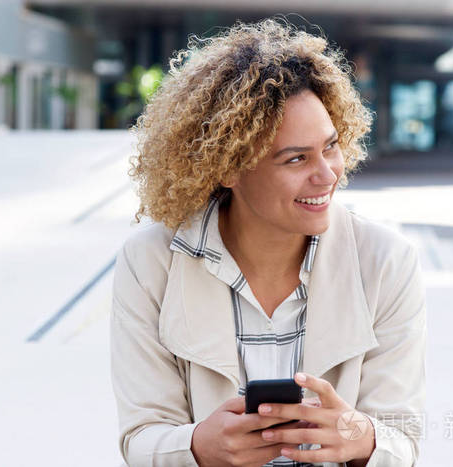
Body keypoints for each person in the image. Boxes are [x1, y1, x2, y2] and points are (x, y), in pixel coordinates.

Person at [110, 18, 427, 467]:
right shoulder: (151, 262)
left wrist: (362, 439)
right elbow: (141, 436)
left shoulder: (386, 261)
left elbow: (403, 437)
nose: (327, 174)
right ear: (227, 168)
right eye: (296, 158)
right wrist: (198, 446)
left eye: (330, 147)